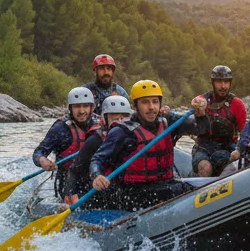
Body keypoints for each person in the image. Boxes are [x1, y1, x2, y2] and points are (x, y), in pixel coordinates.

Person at [89, 80, 209, 211]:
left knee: (186, 191)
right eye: (145, 102)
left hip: (166, 184)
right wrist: (97, 175)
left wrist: (201, 116)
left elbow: (200, 130)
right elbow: (97, 159)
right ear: (136, 106)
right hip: (134, 193)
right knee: (178, 191)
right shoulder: (122, 131)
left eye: (155, 101)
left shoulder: (168, 121)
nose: (151, 107)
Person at [59, 95, 133, 205]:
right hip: (98, 190)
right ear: (105, 118)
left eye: (123, 118)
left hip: (124, 188)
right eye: (115, 118)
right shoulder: (95, 140)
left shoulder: (135, 137)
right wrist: (70, 194)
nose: (120, 122)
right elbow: (74, 170)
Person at [192, 65, 247, 177]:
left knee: (225, 164)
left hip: (227, 148)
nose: (223, 86)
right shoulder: (204, 100)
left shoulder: (237, 104)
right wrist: (198, 105)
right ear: (213, 83)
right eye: (219, 82)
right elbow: (196, 100)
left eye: (226, 82)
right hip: (203, 148)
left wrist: (240, 151)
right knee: (205, 167)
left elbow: (245, 134)